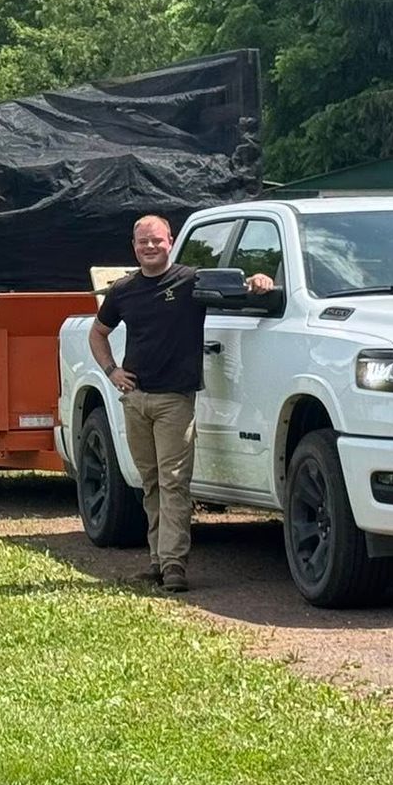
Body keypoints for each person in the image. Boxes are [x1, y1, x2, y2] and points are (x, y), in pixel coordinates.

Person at [88, 214, 275, 593]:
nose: (150, 247)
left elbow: (242, 289)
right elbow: (98, 333)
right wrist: (112, 372)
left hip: (175, 400)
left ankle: (174, 566)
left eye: (156, 240)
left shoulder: (191, 282)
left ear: (170, 241)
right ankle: (157, 561)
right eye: (143, 242)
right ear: (134, 246)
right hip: (136, 399)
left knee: (174, 482)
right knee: (152, 482)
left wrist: (259, 282)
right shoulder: (123, 291)